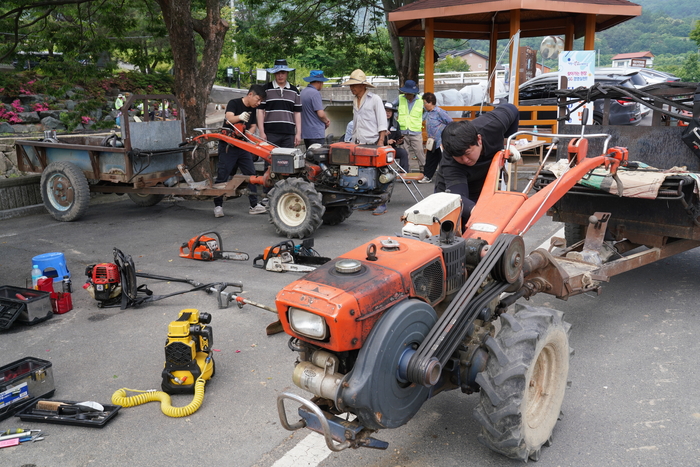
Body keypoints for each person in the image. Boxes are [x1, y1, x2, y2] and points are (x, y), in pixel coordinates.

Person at [435, 103, 519, 224]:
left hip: (482, 182)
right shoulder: (451, 162)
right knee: (455, 226)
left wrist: (509, 142)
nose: (465, 160)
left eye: (468, 153)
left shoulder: (492, 125)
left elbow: (512, 109)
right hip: (451, 192)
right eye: (459, 157)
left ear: (479, 139)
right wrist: (477, 212)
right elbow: (458, 198)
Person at [213, 84, 267, 218]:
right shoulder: (234, 103)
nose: (258, 103)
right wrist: (240, 117)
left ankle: (254, 205)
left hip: (243, 146)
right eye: (258, 99)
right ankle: (218, 205)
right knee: (223, 174)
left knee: (251, 174)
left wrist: (248, 134)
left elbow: (253, 125)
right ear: (250, 95)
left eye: (260, 101)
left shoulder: (254, 109)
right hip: (228, 145)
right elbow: (229, 118)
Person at [342, 69, 388, 215]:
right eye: (351, 85)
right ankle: (368, 202)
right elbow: (355, 122)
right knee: (361, 174)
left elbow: (382, 122)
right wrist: (350, 140)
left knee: (379, 174)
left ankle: (382, 203)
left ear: (363, 86)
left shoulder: (375, 99)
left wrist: (381, 141)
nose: (352, 88)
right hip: (358, 141)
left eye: (354, 85)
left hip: (373, 141)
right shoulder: (355, 100)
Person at [257, 59, 302, 148]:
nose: (280, 75)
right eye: (278, 73)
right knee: (270, 159)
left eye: (283, 72)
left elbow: (297, 113)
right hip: (270, 133)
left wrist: (298, 133)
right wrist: (262, 132)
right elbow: (260, 111)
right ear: (274, 74)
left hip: (289, 133)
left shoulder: (294, 91)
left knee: (287, 160)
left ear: (287, 74)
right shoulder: (266, 89)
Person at [419, 92, 453, 184]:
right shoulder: (427, 113)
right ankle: (427, 176)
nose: (424, 105)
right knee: (430, 159)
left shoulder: (440, 112)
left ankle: (447, 178)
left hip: (441, 141)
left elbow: (450, 122)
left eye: (425, 103)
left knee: (443, 160)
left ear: (431, 102)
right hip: (431, 141)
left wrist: (445, 134)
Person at [395, 80, 424, 170]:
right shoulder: (400, 98)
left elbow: (427, 111)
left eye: (409, 93)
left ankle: (424, 170)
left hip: (416, 131)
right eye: (406, 93)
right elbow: (391, 107)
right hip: (403, 131)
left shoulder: (421, 100)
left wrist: (422, 119)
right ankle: (404, 171)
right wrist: (396, 117)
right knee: (404, 153)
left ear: (414, 93)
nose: (406, 95)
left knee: (419, 152)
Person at [300, 70, 331, 148]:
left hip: (306, 132)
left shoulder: (302, 93)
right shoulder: (315, 93)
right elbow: (320, 114)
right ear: (319, 82)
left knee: (309, 157)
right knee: (318, 157)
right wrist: (326, 121)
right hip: (316, 133)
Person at [383, 102, 409, 173]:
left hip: (391, 149)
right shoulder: (377, 123)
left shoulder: (395, 124)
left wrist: (399, 141)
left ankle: (404, 174)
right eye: (386, 111)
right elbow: (373, 138)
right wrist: (386, 141)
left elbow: (398, 136)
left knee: (403, 152)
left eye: (390, 111)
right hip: (380, 149)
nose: (388, 113)